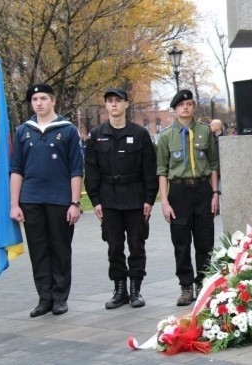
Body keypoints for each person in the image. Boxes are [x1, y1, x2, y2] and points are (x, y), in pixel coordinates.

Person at [10, 84, 84, 317]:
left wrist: (75, 203)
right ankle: (45, 298)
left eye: (43, 98)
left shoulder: (68, 130)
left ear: (53, 101)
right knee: (39, 250)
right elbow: (16, 169)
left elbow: (76, 169)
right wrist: (14, 204)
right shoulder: (23, 131)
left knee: (60, 249)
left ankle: (60, 298)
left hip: (60, 200)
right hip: (31, 199)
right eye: (34, 99)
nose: (39, 103)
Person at [84, 88, 159, 309]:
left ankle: (136, 289)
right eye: (110, 101)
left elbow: (149, 169)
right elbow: (91, 170)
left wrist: (149, 199)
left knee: (137, 244)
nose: (114, 105)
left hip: (135, 197)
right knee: (114, 245)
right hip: (109, 198)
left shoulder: (139, 134)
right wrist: (96, 200)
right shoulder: (97, 135)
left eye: (118, 101)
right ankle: (119, 289)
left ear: (126, 104)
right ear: (105, 106)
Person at [156, 90, 219, 306]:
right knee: (181, 242)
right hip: (179, 192)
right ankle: (186, 286)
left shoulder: (205, 132)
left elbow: (213, 165)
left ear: (193, 107)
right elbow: (162, 171)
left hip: (202, 190)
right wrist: (164, 202)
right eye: (181, 104)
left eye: (189, 104)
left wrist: (215, 194)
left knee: (204, 241)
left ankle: (203, 282)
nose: (186, 107)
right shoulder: (166, 136)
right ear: (175, 108)